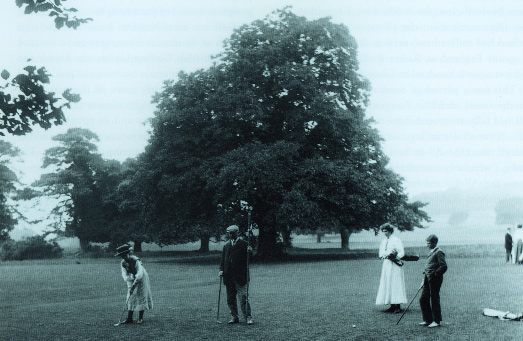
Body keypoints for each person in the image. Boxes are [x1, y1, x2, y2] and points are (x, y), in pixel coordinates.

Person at [219, 225, 254, 325]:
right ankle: (234, 316)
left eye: (232, 233)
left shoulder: (244, 244)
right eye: (229, 233)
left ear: (237, 232)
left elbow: (250, 259)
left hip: (241, 276)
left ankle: (248, 317)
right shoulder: (226, 246)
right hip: (228, 276)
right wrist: (221, 270)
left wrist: (250, 252)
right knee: (230, 298)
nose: (230, 235)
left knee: (243, 298)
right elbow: (223, 260)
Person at [115, 243, 154, 324]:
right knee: (130, 296)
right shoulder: (123, 263)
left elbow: (139, 274)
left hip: (142, 278)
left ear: (129, 253)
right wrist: (130, 287)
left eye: (125, 255)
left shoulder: (136, 260)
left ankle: (140, 318)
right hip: (131, 278)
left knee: (141, 295)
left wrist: (134, 285)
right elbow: (125, 276)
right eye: (122, 256)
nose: (124, 257)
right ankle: (129, 318)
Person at [375, 223, 407, 314]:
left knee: (395, 283)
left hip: (395, 264)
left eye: (386, 231)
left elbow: (401, 252)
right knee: (387, 282)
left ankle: (397, 306)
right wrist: (384, 255)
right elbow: (381, 253)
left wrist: (395, 256)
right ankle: (392, 305)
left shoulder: (396, 240)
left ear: (390, 231)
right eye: (383, 231)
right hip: (386, 264)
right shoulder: (384, 241)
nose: (384, 233)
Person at [419, 235, 447, 328]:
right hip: (427, 278)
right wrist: (424, 279)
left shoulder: (439, 252)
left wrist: (435, 274)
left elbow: (443, 266)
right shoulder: (431, 252)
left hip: (435, 279)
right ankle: (428, 320)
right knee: (423, 299)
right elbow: (429, 266)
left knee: (434, 299)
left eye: (429, 243)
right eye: (427, 243)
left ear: (435, 243)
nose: (427, 245)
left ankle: (436, 321)